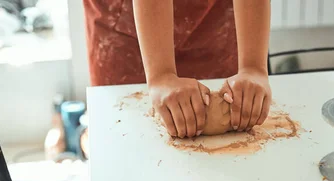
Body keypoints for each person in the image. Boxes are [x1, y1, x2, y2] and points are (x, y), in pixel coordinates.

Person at [83, 0, 271, 138]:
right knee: (125, 139)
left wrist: (252, 67)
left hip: (215, 18)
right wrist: (160, 76)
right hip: (125, 21)